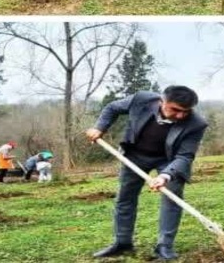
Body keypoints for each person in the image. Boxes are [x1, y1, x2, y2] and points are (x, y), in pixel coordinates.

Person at [85, 87, 208, 260]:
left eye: (185, 112)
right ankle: (123, 243)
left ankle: (165, 246)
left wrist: (165, 176)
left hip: (169, 160)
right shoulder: (141, 99)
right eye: (175, 110)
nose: (180, 116)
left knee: (172, 198)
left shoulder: (196, 124)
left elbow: (185, 156)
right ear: (161, 101)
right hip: (135, 155)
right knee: (125, 198)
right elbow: (112, 108)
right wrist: (99, 127)